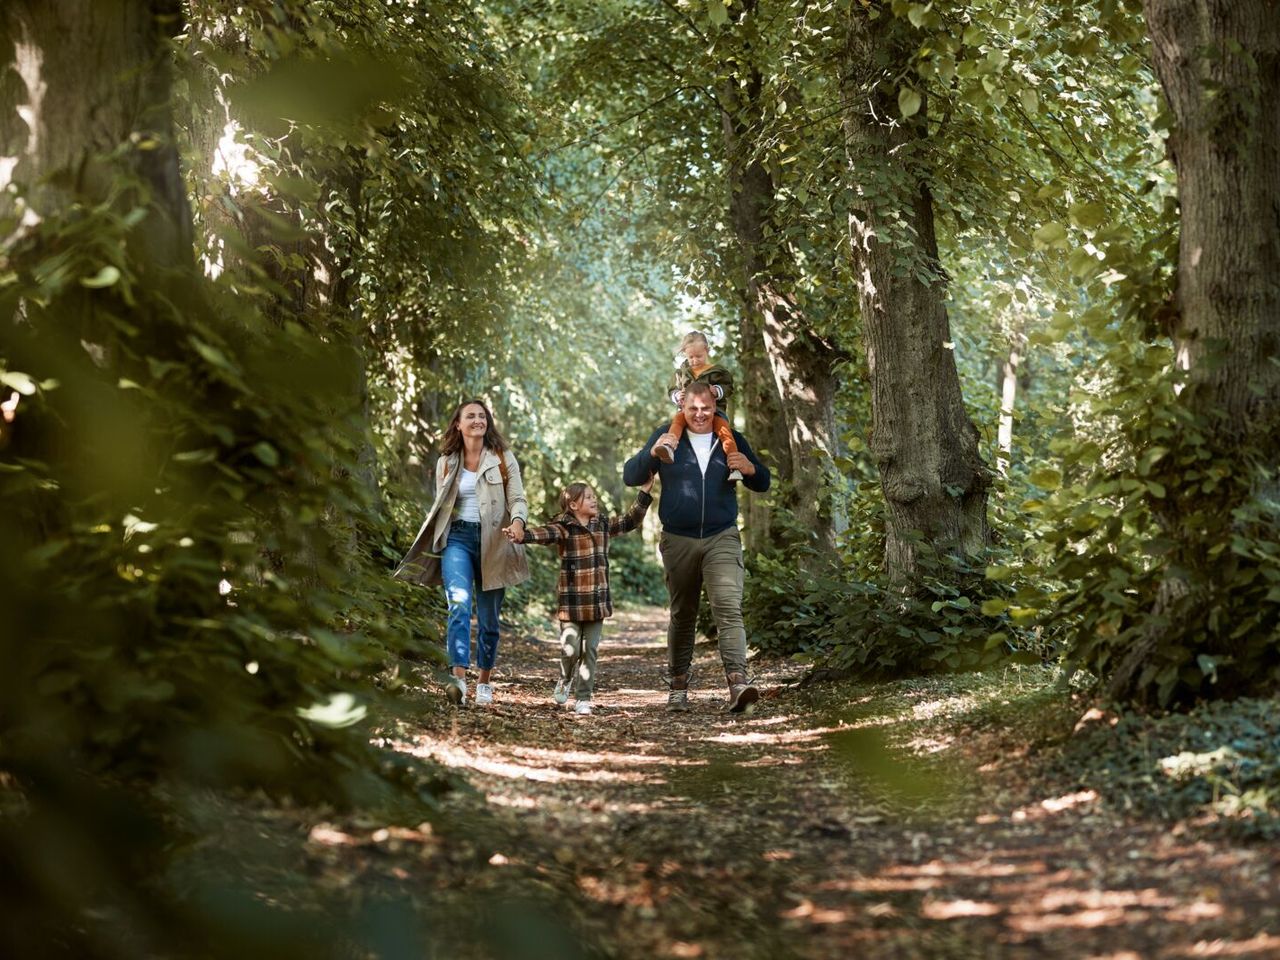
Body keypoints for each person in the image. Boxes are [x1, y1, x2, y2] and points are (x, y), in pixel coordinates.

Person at [623, 381, 771, 713]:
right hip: (678, 538)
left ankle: (738, 683)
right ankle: (678, 685)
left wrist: (750, 469)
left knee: (729, 608)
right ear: (683, 408)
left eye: (706, 409)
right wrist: (651, 452)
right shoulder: (668, 435)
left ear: (715, 407)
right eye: (693, 409)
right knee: (683, 613)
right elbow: (630, 476)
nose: (700, 415)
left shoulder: (729, 435)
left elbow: (762, 480)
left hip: (722, 535)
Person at [394, 399, 530, 706]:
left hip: (495, 541)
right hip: (456, 538)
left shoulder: (502, 457)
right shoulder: (447, 461)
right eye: (471, 416)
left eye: (482, 416)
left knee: (489, 617)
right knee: (458, 604)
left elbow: (518, 498)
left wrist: (519, 522)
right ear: (458, 423)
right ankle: (458, 679)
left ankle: (484, 681)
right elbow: (441, 506)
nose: (478, 420)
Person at [507, 476, 655, 715]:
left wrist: (644, 492)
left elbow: (630, 521)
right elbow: (545, 533)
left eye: (594, 496)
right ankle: (565, 678)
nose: (594, 500)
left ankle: (583, 698)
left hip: (597, 602)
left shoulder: (603, 524)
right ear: (573, 504)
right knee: (570, 649)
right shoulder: (565, 527)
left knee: (590, 651)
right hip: (572, 602)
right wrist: (522, 534)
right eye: (588, 497)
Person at [655, 330, 742, 482]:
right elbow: (671, 389)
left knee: (725, 431)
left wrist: (718, 391)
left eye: (699, 356)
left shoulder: (718, 371)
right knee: (677, 422)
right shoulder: (680, 373)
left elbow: (729, 387)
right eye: (690, 357)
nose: (694, 361)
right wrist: (677, 396)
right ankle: (669, 447)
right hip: (686, 411)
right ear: (685, 355)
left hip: (714, 412)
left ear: (707, 351)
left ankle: (734, 467)